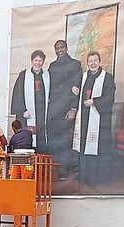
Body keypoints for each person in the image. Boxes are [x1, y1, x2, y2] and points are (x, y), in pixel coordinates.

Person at [72, 51, 116, 187]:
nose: (93, 63)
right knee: (85, 146)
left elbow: (110, 98)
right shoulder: (84, 76)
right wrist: (75, 88)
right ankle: (85, 175)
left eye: (95, 60)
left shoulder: (107, 78)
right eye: (90, 61)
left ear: (100, 62)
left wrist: (94, 102)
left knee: (98, 147)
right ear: (87, 63)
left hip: (99, 121)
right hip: (85, 118)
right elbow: (78, 90)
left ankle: (97, 178)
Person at [46, 40, 82, 180]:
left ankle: (64, 170)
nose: (59, 50)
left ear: (66, 48)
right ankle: (56, 168)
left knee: (65, 141)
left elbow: (76, 88)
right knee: (54, 141)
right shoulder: (52, 66)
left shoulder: (75, 64)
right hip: (53, 110)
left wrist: (73, 108)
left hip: (66, 109)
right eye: (57, 48)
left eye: (61, 47)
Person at [10, 49, 50, 153]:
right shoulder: (23, 75)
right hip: (27, 115)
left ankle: (39, 164)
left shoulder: (47, 75)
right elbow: (17, 94)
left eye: (40, 60)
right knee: (27, 141)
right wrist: (22, 110)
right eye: (35, 60)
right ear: (32, 61)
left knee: (41, 141)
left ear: (43, 62)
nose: (38, 63)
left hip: (42, 114)